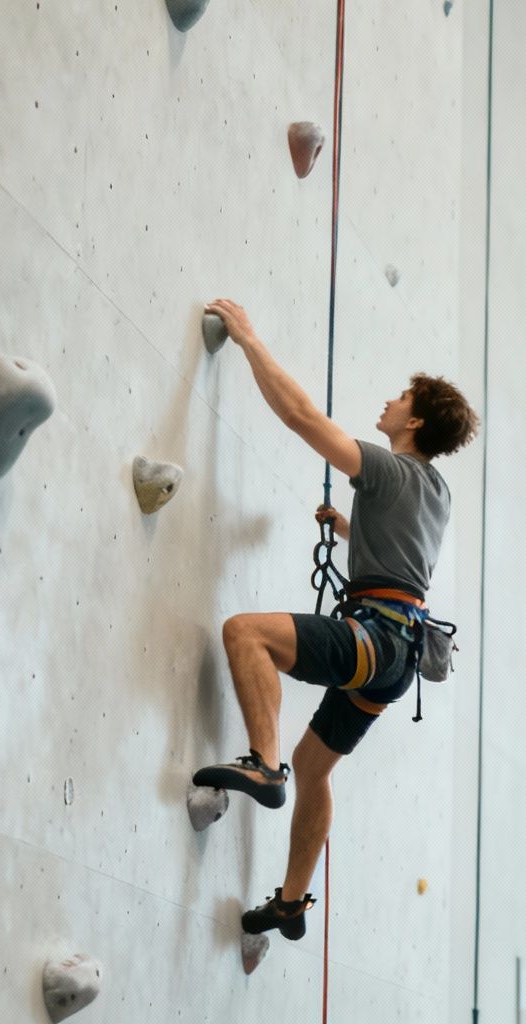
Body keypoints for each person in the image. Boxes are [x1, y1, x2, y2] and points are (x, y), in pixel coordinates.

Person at [191, 298, 478, 942]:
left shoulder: (389, 469)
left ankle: (263, 766)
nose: (389, 402)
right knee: (315, 767)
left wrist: (248, 335)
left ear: (417, 420)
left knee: (245, 633)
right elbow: (405, 558)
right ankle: (291, 902)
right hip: (396, 656)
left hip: (374, 639)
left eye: (401, 397)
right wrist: (352, 528)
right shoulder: (434, 490)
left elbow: (299, 416)